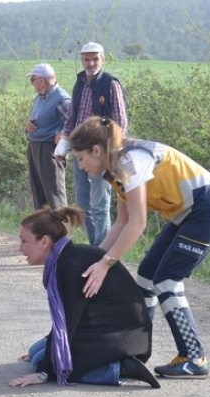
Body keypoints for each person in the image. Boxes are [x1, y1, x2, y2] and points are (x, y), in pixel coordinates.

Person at [70, 116, 210, 379]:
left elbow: (137, 224)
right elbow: (121, 223)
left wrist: (105, 264)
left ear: (97, 150)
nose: (80, 165)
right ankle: (135, 352)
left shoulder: (129, 162)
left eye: (80, 158)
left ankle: (194, 358)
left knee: (167, 281)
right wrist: (93, 258)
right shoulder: (115, 167)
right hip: (188, 215)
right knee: (146, 278)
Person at [8, 206, 159, 389]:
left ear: (44, 242)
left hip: (123, 339)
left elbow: (69, 322)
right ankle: (94, 362)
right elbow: (65, 319)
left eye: (24, 241)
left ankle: (119, 368)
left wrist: (44, 372)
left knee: (45, 363)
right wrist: (51, 350)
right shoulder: (65, 258)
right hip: (108, 330)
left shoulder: (72, 266)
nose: (20, 248)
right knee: (35, 352)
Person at [54, 42, 127, 246]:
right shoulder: (79, 83)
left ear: (103, 59)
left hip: (100, 153)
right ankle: (95, 244)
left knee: (100, 204)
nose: (91, 62)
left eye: (95, 58)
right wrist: (65, 141)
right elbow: (72, 116)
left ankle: (102, 249)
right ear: (81, 60)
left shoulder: (111, 83)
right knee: (83, 205)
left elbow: (120, 122)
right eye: (87, 58)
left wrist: (113, 151)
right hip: (80, 150)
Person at [24, 62, 71, 211]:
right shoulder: (39, 97)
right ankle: (44, 231)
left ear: (42, 81)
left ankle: (62, 232)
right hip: (35, 147)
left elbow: (75, 123)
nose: (32, 83)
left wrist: (63, 134)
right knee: (39, 195)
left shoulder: (62, 99)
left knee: (55, 195)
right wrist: (28, 127)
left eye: (33, 79)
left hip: (50, 150)